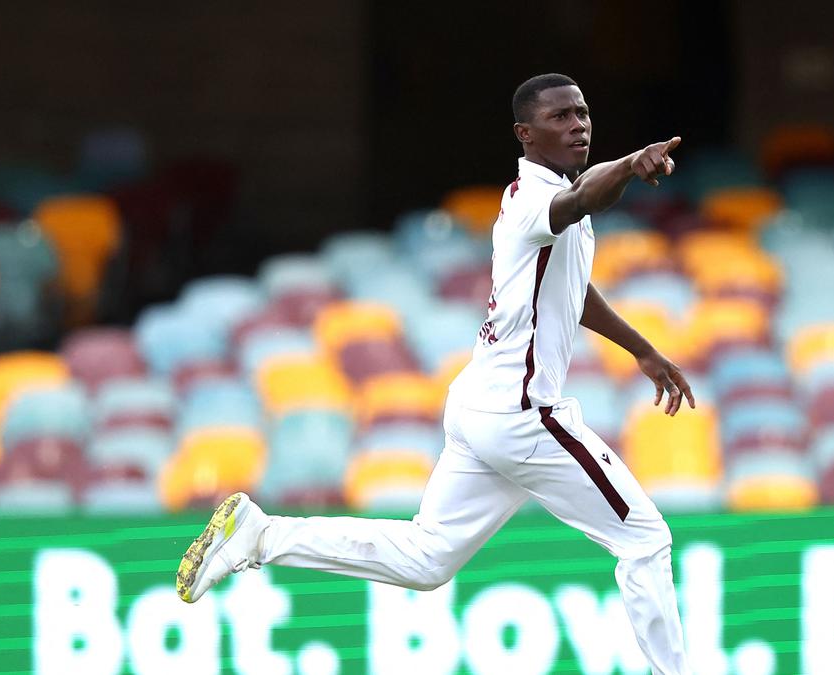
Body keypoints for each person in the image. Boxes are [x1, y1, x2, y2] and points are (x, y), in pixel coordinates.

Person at [176, 73, 696, 673]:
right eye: (560, 117)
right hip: (522, 416)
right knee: (645, 539)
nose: (578, 124)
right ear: (525, 134)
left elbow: (571, 290)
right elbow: (586, 200)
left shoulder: (551, 198)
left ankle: (261, 536)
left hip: (482, 405)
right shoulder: (538, 200)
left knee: (426, 560)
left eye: (582, 113)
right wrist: (633, 163)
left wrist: (641, 349)